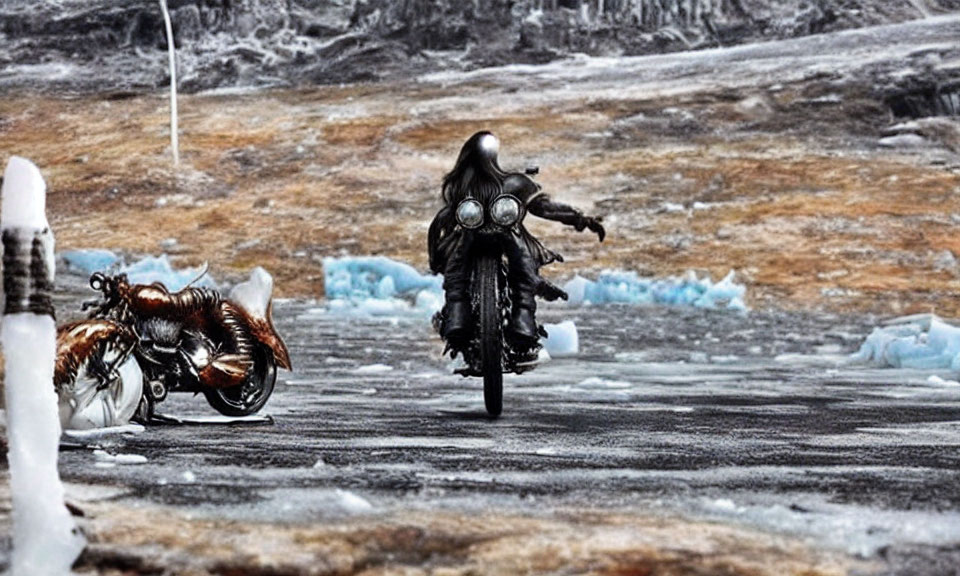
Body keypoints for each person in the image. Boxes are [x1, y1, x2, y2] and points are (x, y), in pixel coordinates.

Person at [428, 131, 605, 351]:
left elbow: (543, 207)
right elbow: (442, 220)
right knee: (457, 271)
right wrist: (435, 257)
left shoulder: (511, 183)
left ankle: (522, 318)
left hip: (505, 233)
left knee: (522, 263)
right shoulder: (462, 188)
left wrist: (580, 218)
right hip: (470, 236)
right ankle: (457, 315)